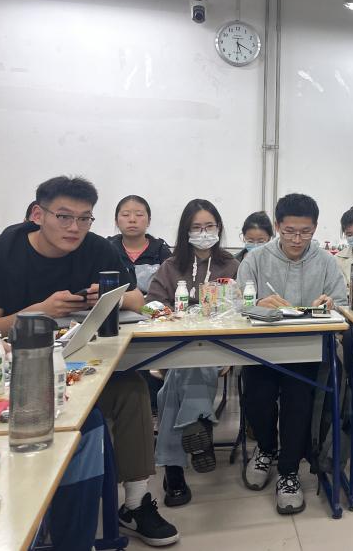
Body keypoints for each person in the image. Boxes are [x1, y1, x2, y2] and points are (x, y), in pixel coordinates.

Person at [0, 176, 178, 547]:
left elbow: (138, 301)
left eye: (84, 218)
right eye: (63, 217)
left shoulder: (97, 249)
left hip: (81, 367)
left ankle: (136, 502)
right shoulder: (2, 254)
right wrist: (39, 311)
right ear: (38, 214)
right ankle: (38, 515)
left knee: (132, 391)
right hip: (14, 377)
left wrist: (108, 297)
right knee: (77, 427)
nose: (74, 228)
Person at [237, 193, 347, 515]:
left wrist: (330, 304)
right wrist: (257, 304)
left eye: (305, 232)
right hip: (262, 350)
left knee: (299, 397)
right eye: (289, 231)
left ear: (315, 228)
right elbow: (237, 305)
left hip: (307, 350)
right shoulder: (256, 260)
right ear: (277, 226)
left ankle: (288, 470)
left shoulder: (326, 262)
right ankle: (266, 448)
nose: (297, 239)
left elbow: (342, 304)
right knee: (257, 394)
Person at [146, 199, 240, 507]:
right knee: (185, 367)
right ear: (186, 231)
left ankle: (173, 470)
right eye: (196, 227)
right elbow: (150, 305)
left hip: (221, 348)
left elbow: (245, 306)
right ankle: (199, 427)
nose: (203, 233)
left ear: (219, 228)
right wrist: (167, 313)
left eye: (209, 226)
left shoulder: (231, 265)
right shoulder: (171, 266)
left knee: (179, 377)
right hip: (176, 346)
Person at [108, 195, 172, 294]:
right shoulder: (107, 249)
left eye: (139, 215)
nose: (132, 220)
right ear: (116, 221)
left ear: (149, 221)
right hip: (117, 303)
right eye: (125, 215)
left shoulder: (161, 251)